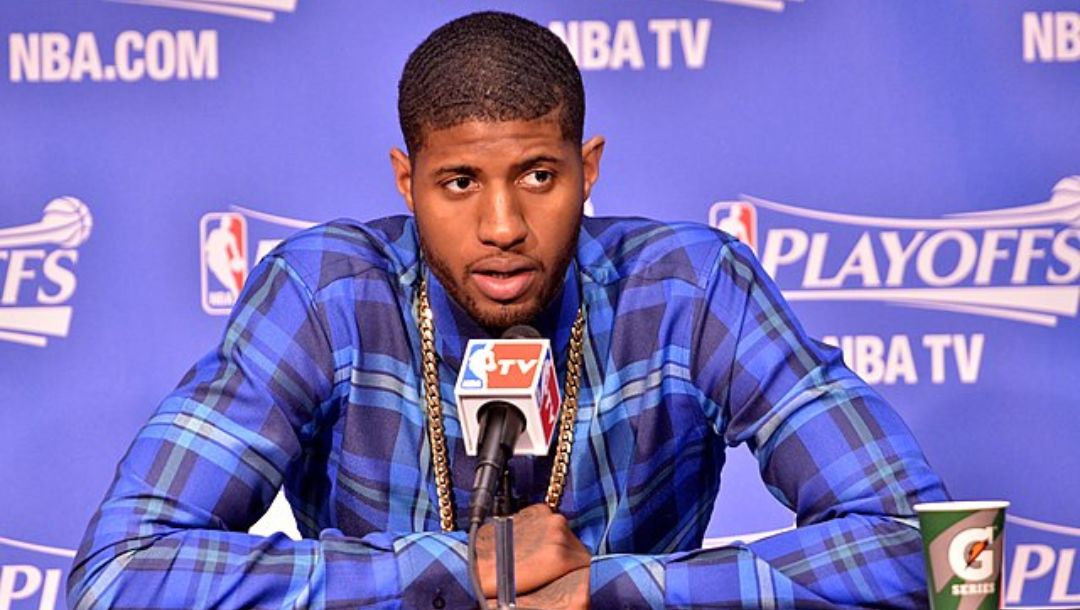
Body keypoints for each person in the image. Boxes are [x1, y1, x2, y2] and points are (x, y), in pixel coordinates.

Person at [68, 11, 948, 609]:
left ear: (588, 166)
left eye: (538, 176)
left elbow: (931, 553)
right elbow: (119, 574)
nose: (502, 228)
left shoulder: (689, 290)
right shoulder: (327, 294)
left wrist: (612, 589)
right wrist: (454, 569)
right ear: (406, 182)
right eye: (459, 183)